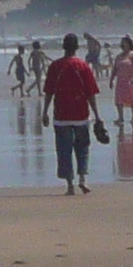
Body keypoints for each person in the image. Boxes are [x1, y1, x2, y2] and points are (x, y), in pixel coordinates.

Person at [44, 34, 105, 195]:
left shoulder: (55, 66)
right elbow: (90, 94)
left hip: (61, 115)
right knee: (82, 148)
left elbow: (49, 92)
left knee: (64, 150)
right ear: (77, 47)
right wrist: (97, 115)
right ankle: (83, 180)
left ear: (63, 47)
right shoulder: (83, 66)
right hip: (81, 115)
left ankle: (70, 185)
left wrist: (44, 112)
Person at [110, 36, 133, 133]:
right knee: (119, 100)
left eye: (124, 43)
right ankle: (120, 118)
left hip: (131, 81)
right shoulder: (119, 56)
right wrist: (111, 79)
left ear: (129, 44)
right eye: (121, 43)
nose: (122, 45)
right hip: (121, 81)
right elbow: (114, 69)